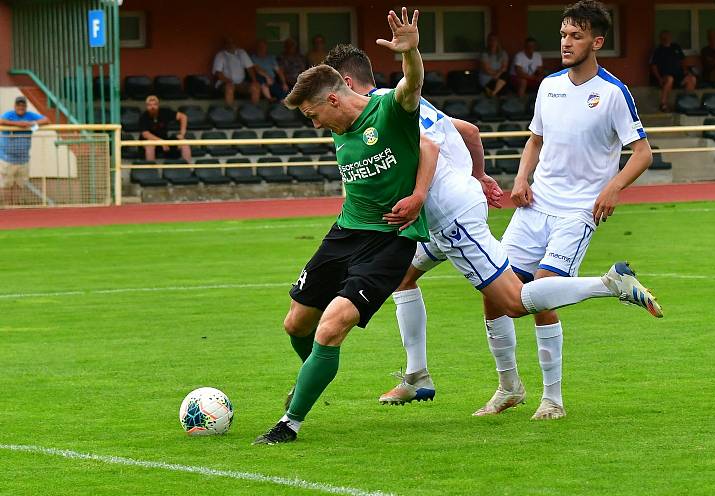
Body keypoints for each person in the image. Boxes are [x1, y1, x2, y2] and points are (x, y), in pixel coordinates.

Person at [322, 32, 663, 419]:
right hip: (445, 215)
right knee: (408, 277)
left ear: (345, 84)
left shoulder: (387, 109)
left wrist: (419, 195)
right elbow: (467, 131)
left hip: (453, 215)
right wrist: (482, 175)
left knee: (518, 300)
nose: (322, 110)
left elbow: (428, 148)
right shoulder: (400, 102)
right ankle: (433, 377)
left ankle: (604, 293)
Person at [252, 7, 433, 445]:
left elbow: (413, 90)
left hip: (391, 240)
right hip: (344, 233)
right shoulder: (338, 126)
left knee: (331, 327)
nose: (315, 125)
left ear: (334, 99)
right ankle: (314, 373)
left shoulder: (388, 111)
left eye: (314, 115)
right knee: (296, 323)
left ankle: (289, 424)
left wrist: (411, 53)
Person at [501, 0, 660, 420]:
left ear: (596, 41)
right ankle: (507, 387)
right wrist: (520, 179)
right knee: (495, 293)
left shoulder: (612, 93)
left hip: (577, 212)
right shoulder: (548, 85)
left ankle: (552, 400)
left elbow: (642, 153)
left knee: (536, 293)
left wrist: (613, 187)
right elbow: (535, 139)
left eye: (576, 36)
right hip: (536, 205)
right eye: (563, 35)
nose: (566, 43)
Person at [0, 96, 50, 205]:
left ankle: (15, 205)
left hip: (23, 159)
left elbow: (46, 120)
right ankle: (7, 206)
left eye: (23, 105)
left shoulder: (30, 115)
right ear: (15, 106)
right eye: (18, 105)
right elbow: (1, 121)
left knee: (20, 184)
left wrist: (31, 124)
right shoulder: (9, 114)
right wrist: (19, 124)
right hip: (7, 159)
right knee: (6, 184)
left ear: (26, 107)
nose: (20, 107)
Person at [650, 30, 697, 112]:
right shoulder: (658, 50)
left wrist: (686, 71)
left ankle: (687, 102)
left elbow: (683, 61)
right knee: (670, 79)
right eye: (664, 37)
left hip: (678, 76)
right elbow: (654, 66)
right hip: (665, 76)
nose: (667, 38)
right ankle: (663, 104)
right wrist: (659, 79)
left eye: (668, 36)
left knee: (692, 79)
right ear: (661, 39)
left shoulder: (676, 47)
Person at [138, 95, 191, 163]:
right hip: (150, 141)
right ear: (146, 106)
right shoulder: (143, 117)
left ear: (158, 105)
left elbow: (183, 117)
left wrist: (182, 134)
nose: (152, 107)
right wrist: (161, 142)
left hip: (165, 140)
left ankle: (188, 168)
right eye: (149, 105)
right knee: (150, 145)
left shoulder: (164, 112)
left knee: (184, 142)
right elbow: (146, 134)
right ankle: (151, 171)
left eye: (155, 104)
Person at [212, 37, 260, 106]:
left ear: (236, 44)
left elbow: (249, 68)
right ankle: (229, 111)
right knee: (230, 87)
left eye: (232, 43)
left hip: (241, 83)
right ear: (225, 45)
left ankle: (254, 110)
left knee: (256, 86)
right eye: (228, 43)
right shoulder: (220, 55)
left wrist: (254, 81)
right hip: (225, 83)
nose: (230, 45)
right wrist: (229, 81)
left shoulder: (242, 52)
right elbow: (218, 74)